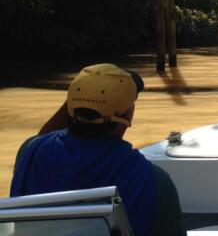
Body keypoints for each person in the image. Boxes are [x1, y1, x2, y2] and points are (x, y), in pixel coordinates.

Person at [10, 63, 186, 236]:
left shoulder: (30, 153)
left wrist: (85, 92)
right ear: (128, 115)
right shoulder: (153, 180)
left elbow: (44, 138)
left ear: (70, 108)